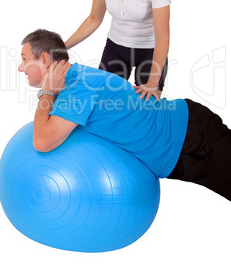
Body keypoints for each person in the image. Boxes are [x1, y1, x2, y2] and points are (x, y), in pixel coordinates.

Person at [18, 29, 231, 201]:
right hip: (184, 141)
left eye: (25, 58)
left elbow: (42, 142)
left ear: (44, 59)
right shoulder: (74, 83)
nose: (20, 67)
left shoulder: (77, 88)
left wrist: (46, 92)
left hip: (191, 139)